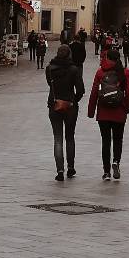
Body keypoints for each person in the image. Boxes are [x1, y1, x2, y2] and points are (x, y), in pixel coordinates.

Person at [88, 44, 129, 180]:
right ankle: (116, 162)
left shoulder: (100, 72)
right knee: (118, 139)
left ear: (107, 58)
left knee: (106, 141)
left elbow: (94, 92)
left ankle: (106, 172)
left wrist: (91, 111)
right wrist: (126, 108)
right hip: (119, 112)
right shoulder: (124, 72)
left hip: (103, 112)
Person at [46, 41, 81, 180]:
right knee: (70, 137)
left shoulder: (49, 68)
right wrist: (73, 100)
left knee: (58, 139)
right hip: (70, 106)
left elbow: (50, 84)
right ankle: (71, 167)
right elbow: (81, 90)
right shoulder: (74, 69)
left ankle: (60, 170)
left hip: (54, 105)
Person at [70, 29, 87, 102]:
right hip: (79, 64)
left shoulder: (70, 45)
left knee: (72, 77)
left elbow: (69, 55)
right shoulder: (82, 46)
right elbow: (84, 55)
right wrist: (81, 61)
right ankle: (81, 90)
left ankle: (73, 90)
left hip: (72, 64)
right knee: (79, 77)